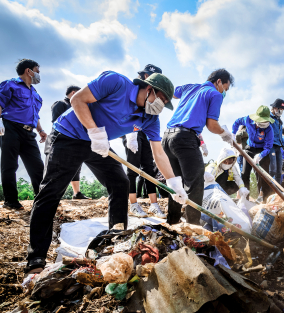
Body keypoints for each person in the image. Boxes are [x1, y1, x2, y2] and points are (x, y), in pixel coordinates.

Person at [24, 71, 188, 276]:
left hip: (98, 143)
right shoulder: (116, 82)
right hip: (69, 135)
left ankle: (116, 241)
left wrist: (174, 183)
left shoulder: (150, 118)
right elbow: (78, 100)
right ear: (149, 89)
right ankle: (36, 259)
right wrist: (94, 132)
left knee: (120, 183)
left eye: (165, 103)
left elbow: (158, 151)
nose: (161, 106)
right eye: (161, 99)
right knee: (51, 191)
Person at [163, 69, 234, 225]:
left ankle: (172, 224)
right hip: (185, 140)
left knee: (176, 184)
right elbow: (212, 125)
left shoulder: (191, 87)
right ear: (219, 82)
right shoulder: (215, 94)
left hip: (167, 138)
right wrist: (225, 133)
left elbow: (171, 93)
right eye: (225, 88)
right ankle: (193, 232)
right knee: (195, 186)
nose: (224, 92)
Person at [0, 59, 46, 210]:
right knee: (10, 165)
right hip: (10, 128)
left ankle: (41, 201)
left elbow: (35, 114)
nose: (38, 75)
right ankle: (11, 201)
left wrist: (40, 130)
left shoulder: (35, 92)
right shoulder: (10, 84)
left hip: (29, 133)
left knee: (38, 168)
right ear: (29, 71)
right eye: (37, 71)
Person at [123, 64, 166, 218]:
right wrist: (131, 135)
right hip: (130, 134)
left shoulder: (153, 98)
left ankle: (154, 205)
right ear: (146, 76)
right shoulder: (131, 89)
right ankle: (133, 204)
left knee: (149, 168)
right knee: (132, 169)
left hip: (144, 134)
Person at [47, 85, 89, 200]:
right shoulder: (60, 104)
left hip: (76, 140)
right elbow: (57, 122)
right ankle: (49, 195)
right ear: (74, 92)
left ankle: (77, 193)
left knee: (76, 167)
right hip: (59, 140)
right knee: (55, 168)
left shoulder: (78, 106)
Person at [232, 105, 274, 203]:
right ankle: (245, 200)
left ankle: (265, 201)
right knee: (245, 174)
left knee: (264, 176)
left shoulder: (269, 130)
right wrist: (233, 135)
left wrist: (261, 155)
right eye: (262, 121)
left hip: (263, 150)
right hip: (249, 149)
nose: (264, 123)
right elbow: (236, 122)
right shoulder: (247, 120)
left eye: (266, 121)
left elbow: (268, 147)